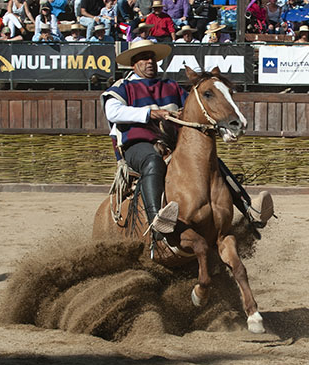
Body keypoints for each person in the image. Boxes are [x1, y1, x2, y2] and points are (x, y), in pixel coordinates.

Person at [100, 40, 273, 241]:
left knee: (212, 163)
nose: (150, 62)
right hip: (138, 146)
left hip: (173, 144)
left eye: (152, 58)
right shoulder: (123, 87)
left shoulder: (170, 86)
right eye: (144, 58)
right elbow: (112, 112)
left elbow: (196, 107)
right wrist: (151, 113)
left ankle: (249, 208)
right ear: (133, 63)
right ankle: (157, 221)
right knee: (152, 162)